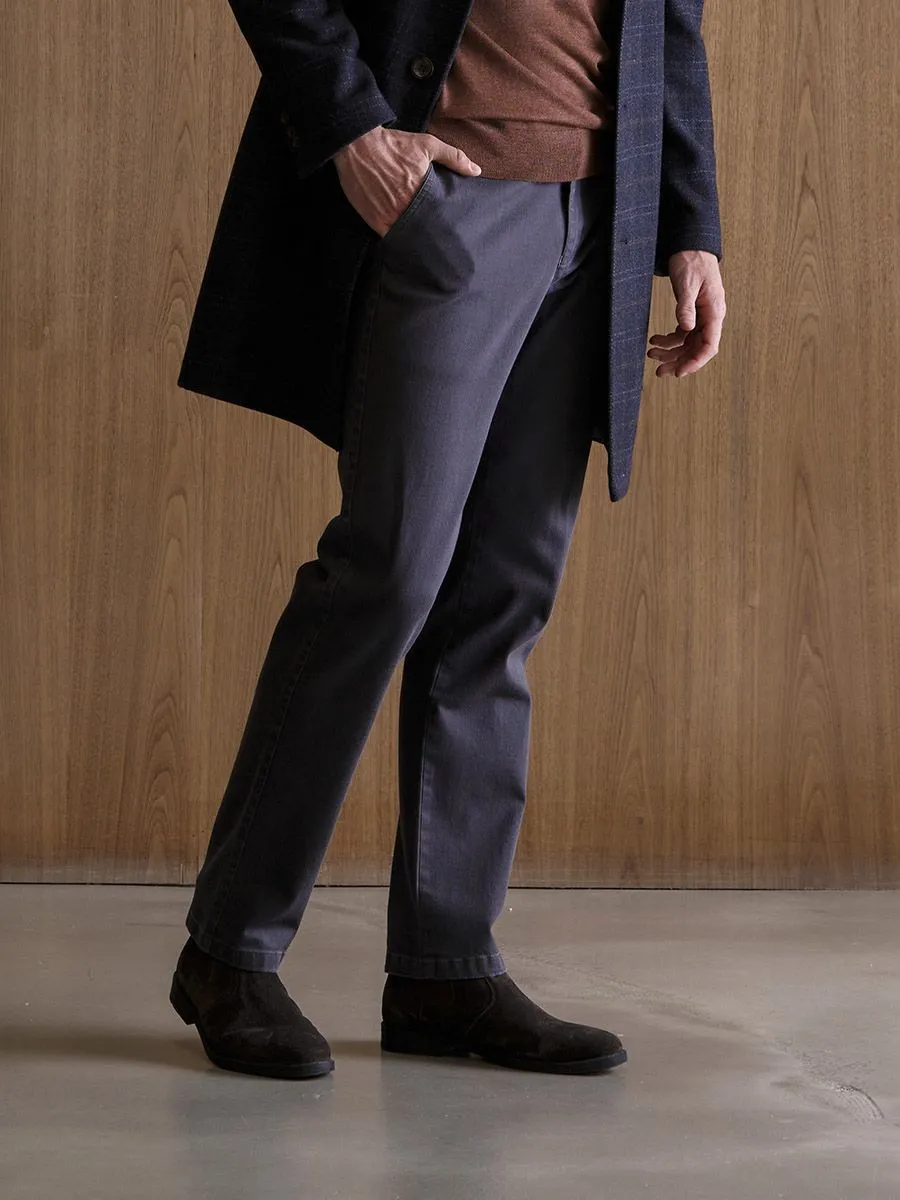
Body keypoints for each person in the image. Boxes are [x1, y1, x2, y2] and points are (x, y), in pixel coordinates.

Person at [170, 0, 726, 1080]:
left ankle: (446, 967)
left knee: (503, 599)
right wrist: (349, 126)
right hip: (451, 201)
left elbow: (673, 19)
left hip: (600, 217)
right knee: (387, 574)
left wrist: (690, 219)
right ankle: (227, 952)